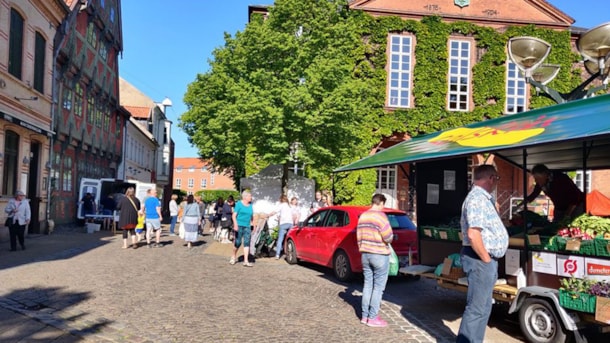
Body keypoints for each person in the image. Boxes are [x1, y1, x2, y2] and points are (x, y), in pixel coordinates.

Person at [457, 165, 509, 343]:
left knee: (484, 306)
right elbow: (473, 233)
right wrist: (486, 260)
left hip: (482, 259)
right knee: (477, 308)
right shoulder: (477, 199)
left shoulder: (483, 199)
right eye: (497, 179)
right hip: (480, 258)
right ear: (491, 178)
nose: (496, 183)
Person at [357, 193, 393, 327]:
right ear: (381, 203)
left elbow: (358, 235)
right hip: (379, 254)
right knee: (378, 288)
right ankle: (373, 318)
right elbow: (388, 236)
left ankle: (364, 316)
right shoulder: (381, 216)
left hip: (365, 253)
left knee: (367, 285)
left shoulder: (363, 216)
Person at [230, 190, 254, 267]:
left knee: (247, 242)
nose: (251, 197)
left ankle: (246, 261)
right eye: (250, 196)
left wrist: (253, 224)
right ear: (245, 197)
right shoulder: (239, 204)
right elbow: (234, 216)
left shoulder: (251, 205)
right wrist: (235, 225)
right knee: (238, 242)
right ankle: (233, 256)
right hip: (239, 225)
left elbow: (251, 216)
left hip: (247, 226)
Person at [274, 195, 294, 260]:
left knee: (280, 239)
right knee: (289, 238)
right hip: (290, 223)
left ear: (281, 199)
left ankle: (277, 254)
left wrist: (268, 215)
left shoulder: (281, 205)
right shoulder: (289, 206)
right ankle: (289, 253)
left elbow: (275, 211)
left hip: (283, 223)